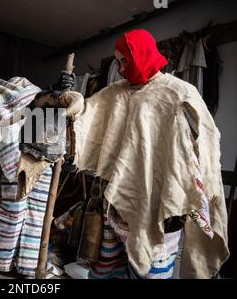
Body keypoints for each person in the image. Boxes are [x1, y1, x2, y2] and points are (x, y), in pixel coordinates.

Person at [63, 29, 228, 279]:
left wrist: (197, 180)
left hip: (159, 201)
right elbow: (87, 114)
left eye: (125, 60)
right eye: (117, 61)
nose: (119, 68)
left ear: (142, 54)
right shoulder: (115, 93)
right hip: (115, 202)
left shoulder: (178, 92)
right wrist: (71, 100)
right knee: (108, 269)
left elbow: (207, 139)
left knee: (152, 269)